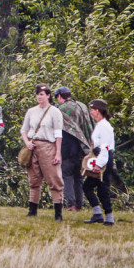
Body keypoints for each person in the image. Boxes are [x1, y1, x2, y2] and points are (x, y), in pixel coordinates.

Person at [20, 84, 65, 220]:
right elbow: (24, 130)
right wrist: (27, 142)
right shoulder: (31, 111)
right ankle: (32, 209)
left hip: (48, 146)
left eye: (42, 94)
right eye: (38, 94)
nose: (40, 97)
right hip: (33, 145)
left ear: (48, 95)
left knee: (54, 178)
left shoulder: (54, 112)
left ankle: (58, 213)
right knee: (33, 179)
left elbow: (58, 134)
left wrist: (57, 153)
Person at [54, 87, 95, 212]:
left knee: (67, 176)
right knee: (79, 178)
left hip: (68, 147)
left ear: (60, 96)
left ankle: (71, 204)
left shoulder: (61, 109)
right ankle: (79, 204)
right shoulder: (82, 106)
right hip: (83, 148)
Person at [82, 99, 116, 226]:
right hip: (99, 156)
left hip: (104, 158)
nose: (91, 112)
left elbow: (105, 147)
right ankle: (97, 214)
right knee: (87, 187)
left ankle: (109, 218)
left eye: (92, 110)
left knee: (103, 190)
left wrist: (99, 164)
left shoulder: (105, 126)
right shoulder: (100, 125)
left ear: (97, 111)